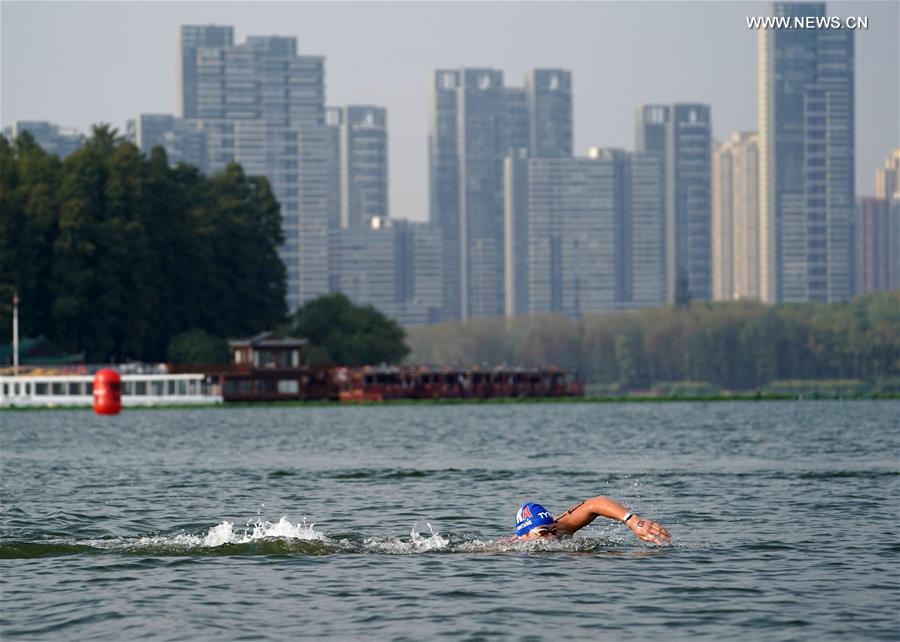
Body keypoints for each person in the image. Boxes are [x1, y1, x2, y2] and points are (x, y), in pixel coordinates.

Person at [514, 497, 670, 545]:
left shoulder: (562, 528)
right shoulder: (508, 548)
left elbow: (596, 503)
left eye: (552, 529)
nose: (550, 536)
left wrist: (633, 521)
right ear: (523, 535)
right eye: (542, 532)